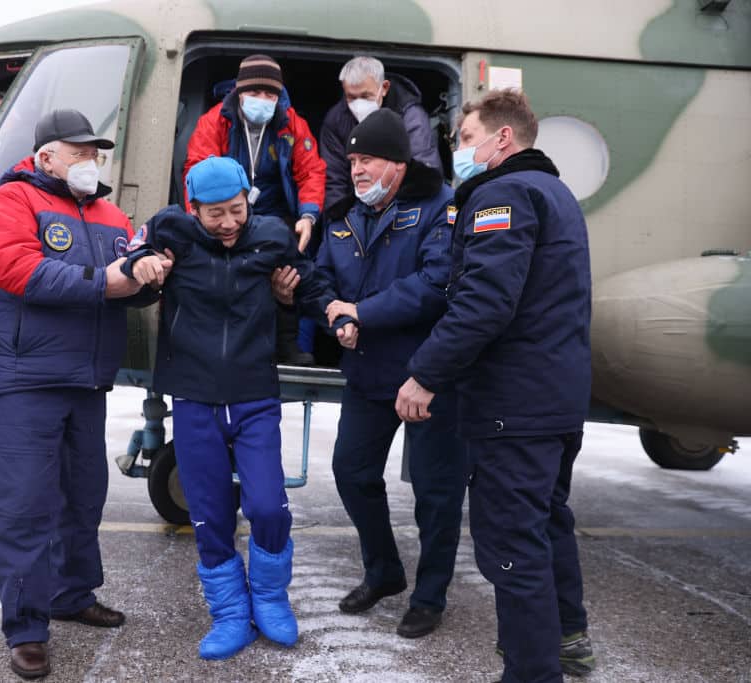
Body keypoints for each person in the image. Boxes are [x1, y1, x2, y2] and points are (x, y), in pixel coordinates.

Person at [396, 89, 595, 682]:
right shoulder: (556, 194)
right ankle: (567, 641)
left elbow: (485, 302)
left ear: (501, 138)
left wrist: (426, 374)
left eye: (464, 138)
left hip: (515, 405)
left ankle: (532, 672)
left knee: (512, 546)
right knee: (546, 524)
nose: (459, 150)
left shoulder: (503, 194)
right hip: (554, 401)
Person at [122, 156, 353, 661]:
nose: (227, 223)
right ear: (193, 208)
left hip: (253, 394)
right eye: (214, 214)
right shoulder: (169, 231)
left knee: (268, 505)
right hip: (194, 394)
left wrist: (334, 314)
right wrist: (139, 268)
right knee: (208, 513)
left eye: (235, 210)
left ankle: (269, 598)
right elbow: (131, 271)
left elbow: (309, 285)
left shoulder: (271, 236)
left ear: (248, 199)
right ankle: (229, 613)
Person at [0, 108, 157, 679]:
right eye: (78, 152)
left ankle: (72, 595)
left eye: (95, 153)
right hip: (28, 380)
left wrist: (148, 277)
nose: (90, 162)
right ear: (45, 156)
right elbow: (16, 270)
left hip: (86, 382)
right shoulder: (11, 203)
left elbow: (122, 291)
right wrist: (106, 280)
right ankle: (26, 629)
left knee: (82, 498)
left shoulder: (108, 213)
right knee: (26, 506)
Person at [281, 109, 468, 639]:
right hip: (368, 372)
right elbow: (316, 279)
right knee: (352, 473)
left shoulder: (443, 209)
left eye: (368, 160)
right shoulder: (342, 218)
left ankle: (430, 596)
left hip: (430, 372)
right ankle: (383, 570)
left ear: (400, 163)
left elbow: (437, 285)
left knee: (437, 491)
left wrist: (361, 313)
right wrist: (333, 313)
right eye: (354, 160)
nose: (357, 169)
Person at [184, 54, 326, 365]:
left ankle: (289, 346)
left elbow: (311, 171)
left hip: (275, 213)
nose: (263, 100)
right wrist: (204, 219)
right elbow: (197, 169)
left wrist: (307, 216)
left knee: (291, 270)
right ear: (238, 91)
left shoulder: (292, 124)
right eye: (254, 93)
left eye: (270, 94)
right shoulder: (214, 121)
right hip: (227, 210)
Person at [320, 56, 442, 218]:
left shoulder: (411, 117)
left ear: (384, 88)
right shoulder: (336, 120)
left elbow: (424, 172)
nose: (358, 104)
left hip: (404, 208)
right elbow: (334, 179)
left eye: (365, 96)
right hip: (356, 208)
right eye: (351, 97)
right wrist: (340, 221)